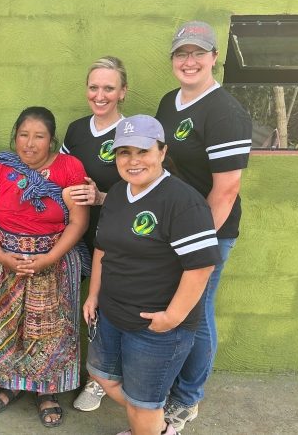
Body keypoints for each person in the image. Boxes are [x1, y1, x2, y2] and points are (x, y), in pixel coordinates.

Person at [83, 115, 222, 435]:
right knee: (102, 375)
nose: (133, 160)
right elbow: (103, 248)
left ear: (162, 151)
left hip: (156, 325)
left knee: (142, 406)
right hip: (112, 313)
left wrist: (172, 317)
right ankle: (159, 427)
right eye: (124, 152)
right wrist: (93, 294)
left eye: (142, 151)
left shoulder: (183, 202)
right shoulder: (118, 193)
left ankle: (149, 424)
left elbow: (201, 266)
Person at [154, 21, 252, 431]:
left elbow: (226, 190)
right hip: (173, 225)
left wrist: (196, 244)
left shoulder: (225, 112)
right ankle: (175, 382)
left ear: (215, 58)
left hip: (209, 230)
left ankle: (188, 398)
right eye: (181, 53)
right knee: (180, 306)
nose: (189, 61)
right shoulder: (169, 102)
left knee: (197, 308)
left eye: (198, 53)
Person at [0, 107, 89, 428]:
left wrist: (49, 258)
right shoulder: (0, 168)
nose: (30, 143)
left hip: (53, 262)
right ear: (16, 136)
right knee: (6, 327)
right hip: (3, 262)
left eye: (39, 136)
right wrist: (1, 255)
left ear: (52, 140)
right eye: (24, 134)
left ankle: (46, 391)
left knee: (49, 330)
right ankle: (9, 384)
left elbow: (78, 222)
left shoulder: (69, 168)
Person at [61, 56, 128, 412]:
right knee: (78, 303)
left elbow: (148, 185)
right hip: (77, 235)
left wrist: (102, 197)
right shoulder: (75, 130)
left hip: (118, 237)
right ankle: (66, 371)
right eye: (93, 87)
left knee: (106, 305)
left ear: (122, 92)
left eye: (108, 88)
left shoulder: (133, 131)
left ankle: (100, 379)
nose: (99, 95)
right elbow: (60, 176)